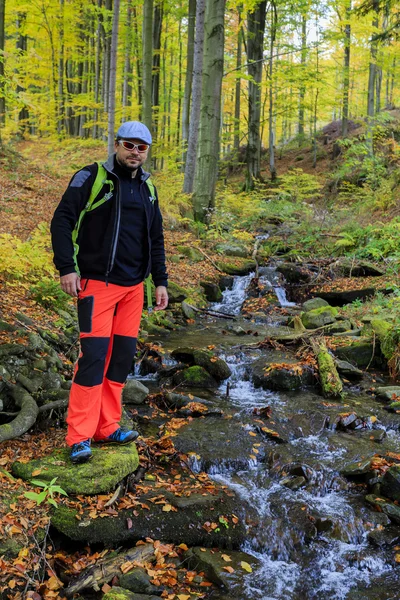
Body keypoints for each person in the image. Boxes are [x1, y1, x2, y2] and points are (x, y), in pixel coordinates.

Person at [51, 121, 168, 464]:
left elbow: (156, 239)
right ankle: (79, 436)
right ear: (116, 145)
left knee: (120, 359)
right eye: (129, 145)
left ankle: (107, 426)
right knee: (93, 359)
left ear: (147, 151)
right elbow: (62, 220)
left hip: (134, 289)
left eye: (141, 147)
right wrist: (66, 267)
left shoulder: (148, 188)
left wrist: (160, 281)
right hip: (96, 285)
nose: (135, 152)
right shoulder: (91, 178)